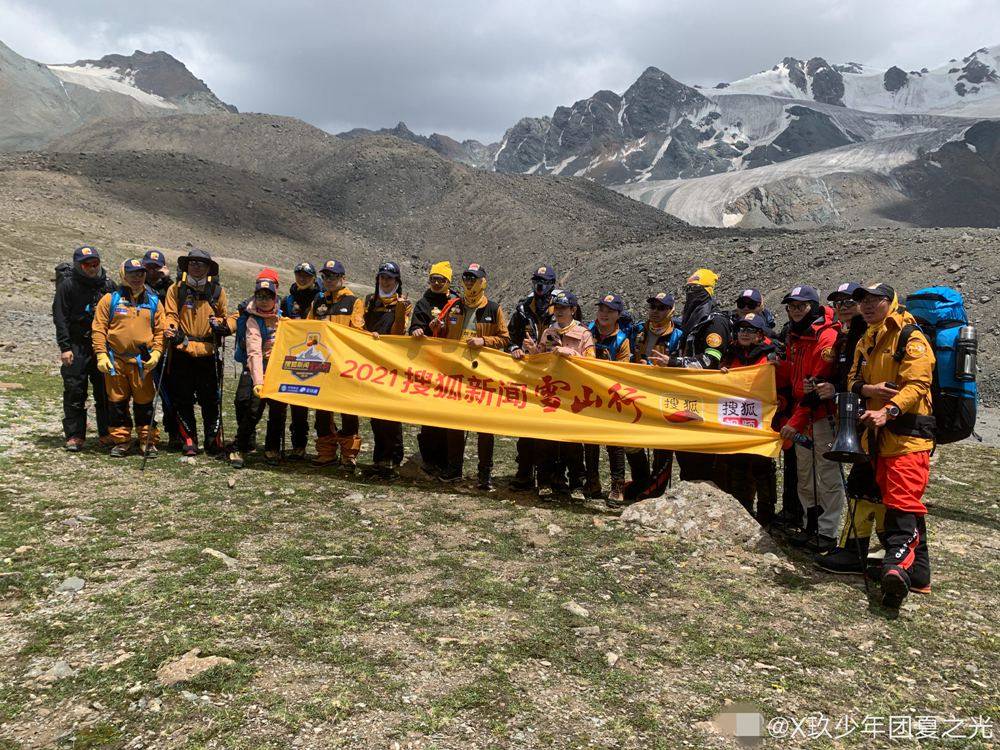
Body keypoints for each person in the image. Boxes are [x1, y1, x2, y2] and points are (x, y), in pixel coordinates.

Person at [848, 283, 934, 609]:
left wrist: (889, 410)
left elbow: (919, 383)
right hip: (878, 439)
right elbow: (852, 380)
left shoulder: (909, 336)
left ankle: (894, 570)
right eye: (863, 301)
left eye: (874, 300)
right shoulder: (866, 340)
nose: (867, 306)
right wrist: (870, 390)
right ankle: (920, 576)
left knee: (900, 507)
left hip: (908, 437)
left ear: (890, 301)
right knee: (904, 503)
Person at [812, 283, 885, 574]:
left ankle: (884, 551)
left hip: (873, 422)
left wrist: (838, 388)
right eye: (838, 301)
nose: (843, 305)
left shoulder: (866, 335)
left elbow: (863, 379)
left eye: (849, 300)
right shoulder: (848, 335)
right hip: (857, 420)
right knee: (861, 484)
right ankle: (859, 548)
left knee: (874, 485)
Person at [777, 285, 845, 552]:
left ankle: (827, 533)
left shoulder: (825, 337)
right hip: (802, 414)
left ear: (813, 307)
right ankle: (810, 525)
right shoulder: (796, 335)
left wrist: (794, 422)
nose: (795, 311)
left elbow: (816, 388)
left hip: (820, 416)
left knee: (826, 473)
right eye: (791, 306)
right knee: (805, 474)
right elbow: (796, 377)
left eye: (801, 306)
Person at [650, 269, 730, 483]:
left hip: (709, 399)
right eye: (688, 290)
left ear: (707, 292)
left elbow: (711, 359)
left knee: (703, 458)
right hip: (688, 398)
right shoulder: (691, 322)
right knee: (685, 454)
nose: (691, 294)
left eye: (696, 290)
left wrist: (674, 362)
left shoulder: (715, 322)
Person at [514, 290, 594, 501]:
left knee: (573, 442)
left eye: (563, 308)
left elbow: (593, 363)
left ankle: (577, 484)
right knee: (545, 439)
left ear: (573, 310)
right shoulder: (548, 331)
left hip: (573, 395)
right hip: (550, 393)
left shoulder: (584, 334)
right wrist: (532, 351)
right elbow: (540, 358)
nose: (558, 311)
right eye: (556, 308)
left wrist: (573, 354)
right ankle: (545, 482)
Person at [437, 263, 510, 489]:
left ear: (483, 282)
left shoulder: (493, 309)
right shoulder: (453, 305)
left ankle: (484, 473)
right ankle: (454, 469)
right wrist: (436, 327)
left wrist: (484, 341)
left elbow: (505, 339)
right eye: (466, 278)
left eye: (474, 279)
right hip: (456, 373)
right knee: (454, 421)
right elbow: (440, 336)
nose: (469, 282)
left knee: (484, 425)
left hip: (482, 374)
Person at [91, 258, 165, 457]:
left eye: (140, 273)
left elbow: (160, 331)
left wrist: (157, 352)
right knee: (117, 403)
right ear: (123, 275)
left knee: (145, 404)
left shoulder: (154, 302)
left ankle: (147, 441)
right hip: (116, 361)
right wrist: (101, 355)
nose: (136, 278)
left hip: (143, 363)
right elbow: (98, 329)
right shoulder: (110, 300)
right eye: (132, 273)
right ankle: (121, 440)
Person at [163, 248, 230, 457]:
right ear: (186, 265)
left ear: (209, 268)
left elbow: (224, 317)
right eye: (192, 262)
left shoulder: (218, 292)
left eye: (201, 263)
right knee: (182, 398)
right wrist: (171, 329)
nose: (196, 266)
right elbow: (170, 314)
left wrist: (220, 325)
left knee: (210, 399)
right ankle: (189, 440)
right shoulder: (176, 289)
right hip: (182, 350)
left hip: (208, 352)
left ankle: (213, 441)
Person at [53, 245, 116, 451]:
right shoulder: (67, 286)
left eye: (95, 263)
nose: (91, 267)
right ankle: (75, 435)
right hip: (76, 344)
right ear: (78, 265)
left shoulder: (108, 285)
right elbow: (60, 318)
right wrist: (65, 347)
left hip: (101, 345)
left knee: (104, 390)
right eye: (87, 264)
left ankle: (106, 433)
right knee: (74, 390)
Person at [720, 313, 780, 525]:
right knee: (736, 465)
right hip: (735, 421)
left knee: (762, 467)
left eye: (750, 330)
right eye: (741, 329)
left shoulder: (772, 355)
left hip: (762, 422)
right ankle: (742, 511)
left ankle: (766, 515)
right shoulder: (729, 353)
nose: (744, 333)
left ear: (760, 335)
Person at [308, 260, 365, 469]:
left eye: (333, 276)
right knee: (322, 410)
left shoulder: (354, 302)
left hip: (345, 364)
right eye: (325, 276)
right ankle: (326, 452)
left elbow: (357, 331)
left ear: (343, 278)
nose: (329, 280)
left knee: (348, 409)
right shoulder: (318, 301)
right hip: (321, 365)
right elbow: (308, 328)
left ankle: (349, 454)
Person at [409, 261, 462, 478]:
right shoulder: (423, 302)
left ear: (448, 282)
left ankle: (449, 462)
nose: (437, 283)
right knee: (429, 414)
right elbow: (414, 326)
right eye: (434, 279)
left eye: (441, 280)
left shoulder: (457, 303)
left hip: (451, 366)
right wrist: (418, 332)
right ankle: (429, 460)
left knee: (448, 415)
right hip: (430, 365)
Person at [507, 265, 557, 490]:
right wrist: (515, 348)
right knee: (526, 423)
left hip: (553, 376)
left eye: (544, 281)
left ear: (552, 285)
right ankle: (524, 471)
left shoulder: (562, 308)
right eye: (537, 280)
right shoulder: (521, 309)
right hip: (527, 375)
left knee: (549, 425)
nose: (540, 285)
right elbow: (509, 337)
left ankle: (548, 476)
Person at [628, 290, 684, 489]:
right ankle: (641, 481)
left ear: (671, 311)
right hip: (638, 392)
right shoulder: (637, 330)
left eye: (662, 308)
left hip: (664, 393)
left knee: (662, 442)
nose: (656, 312)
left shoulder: (679, 335)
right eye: (653, 307)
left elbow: (681, 366)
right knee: (631, 440)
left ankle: (657, 487)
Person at [229, 276, 284, 468]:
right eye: (259, 296)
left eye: (268, 296)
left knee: (278, 409)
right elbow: (254, 351)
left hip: (279, 367)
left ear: (274, 298)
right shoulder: (252, 320)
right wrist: (258, 381)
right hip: (259, 366)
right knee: (254, 408)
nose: (263, 300)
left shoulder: (283, 319)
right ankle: (240, 446)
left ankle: (272, 448)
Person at [363, 262, 412, 478]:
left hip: (393, 363)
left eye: (390, 278)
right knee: (374, 412)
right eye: (382, 277)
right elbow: (361, 326)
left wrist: (400, 309)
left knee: (390, 412)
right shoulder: (369, 301)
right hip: (372, 362)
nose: (385, 281)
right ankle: (378, 457)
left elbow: (399, 332)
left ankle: (393, 457)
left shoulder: (405, 304)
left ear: (397, 281)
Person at [584, 293, 631, 505]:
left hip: (613, 396)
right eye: (601, 309)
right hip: (588, 394)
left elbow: (624, 370)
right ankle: (592, 482)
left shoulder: (623, 341)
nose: (604, 314)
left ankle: (617, 486)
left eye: (609, 311)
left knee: (614, 442)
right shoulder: (586, 332)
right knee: (590, 439)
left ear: (618, 315)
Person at [281, 262, 320, 459]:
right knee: (295, 399)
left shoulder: (321, 298)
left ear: (314, 278)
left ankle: (319, 447)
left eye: (307, 275)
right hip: (292, 355)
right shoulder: (288, 300)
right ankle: (298, 446)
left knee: (310, 401)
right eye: (299, 274)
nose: (302, 278)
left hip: (316, 356)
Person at [141, 249, 180, 449]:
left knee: (169, 393)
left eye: (157, 267)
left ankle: (174, 433)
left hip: (167, 349)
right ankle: (148, 434)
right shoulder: (137, 287)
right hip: (144, 347)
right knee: (145, 394)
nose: (152, 271)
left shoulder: (171, 289)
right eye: (149, 267)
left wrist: (168, 280)